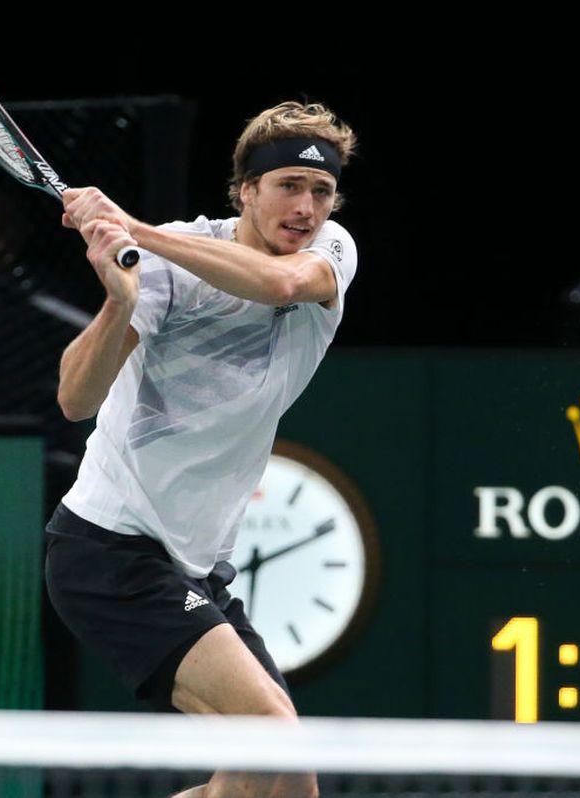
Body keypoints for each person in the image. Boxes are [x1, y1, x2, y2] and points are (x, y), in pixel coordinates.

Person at [45, 101, 357, 798]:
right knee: (270, 737)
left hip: (195, 567)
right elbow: (75, 399)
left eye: (321, 191)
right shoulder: (170, 263)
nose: (306, 206)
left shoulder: (331, 254)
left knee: (286, 786)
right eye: (287, 186)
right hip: (109, 550)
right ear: (245, 189)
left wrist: (134, 230)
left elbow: (278, 284)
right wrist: (119, 302)